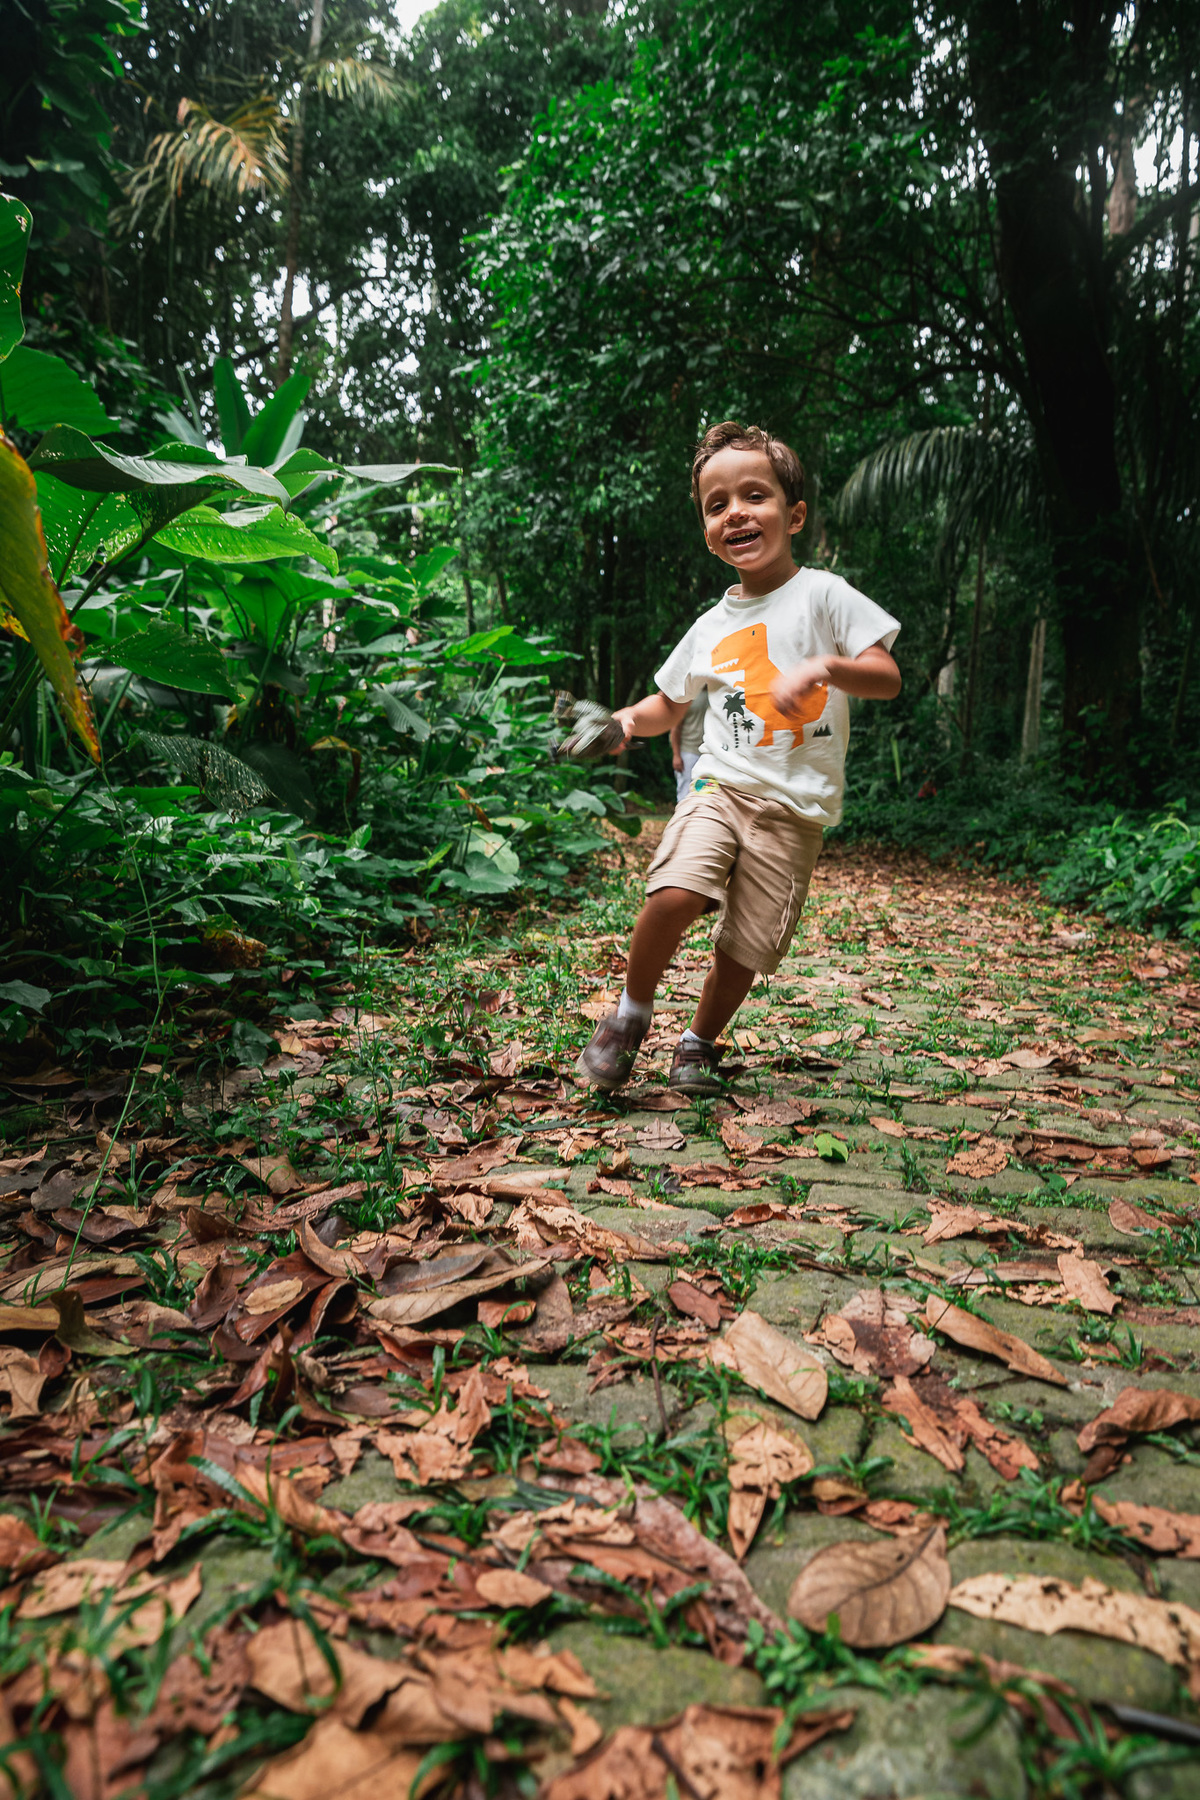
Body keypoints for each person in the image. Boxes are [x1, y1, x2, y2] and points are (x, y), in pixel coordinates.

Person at [576, 419, 901, 1096]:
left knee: (745, 947)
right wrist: (622, 724)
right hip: (719, 786)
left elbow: (885, 675)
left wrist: (826, 667)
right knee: (676, 890)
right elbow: (668, 702)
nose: (736, 514)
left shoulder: (824, 595)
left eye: (754, 495)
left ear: (795, 513)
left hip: (796, 809)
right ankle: (630, 1018)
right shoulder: (710, 627)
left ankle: (698, 1045)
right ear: (705, 529)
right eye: (716, 505)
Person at [669, 690, 708, 804]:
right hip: (688, 751)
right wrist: (676, 755)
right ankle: (683, 820)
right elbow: (675, 728)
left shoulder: (715, 693)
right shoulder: (686, 696)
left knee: (704, 794)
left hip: (708, 752)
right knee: (685, 794)